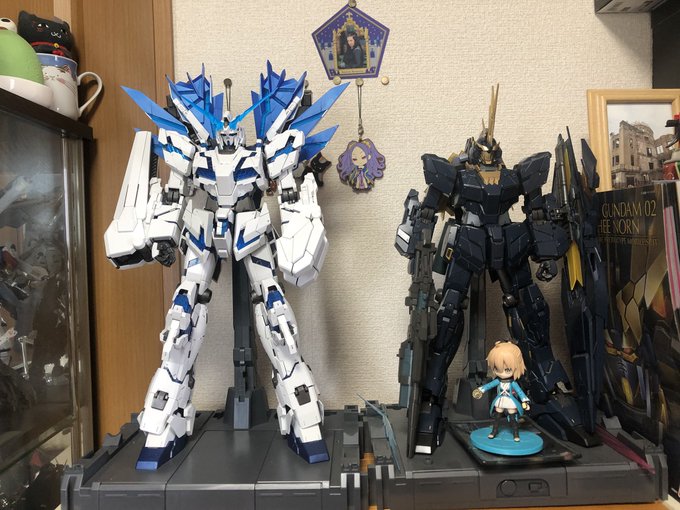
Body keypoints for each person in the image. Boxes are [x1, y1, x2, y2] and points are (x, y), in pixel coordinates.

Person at [473, 341, 530, 441]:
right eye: (497, 368)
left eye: (507, 370)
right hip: (500, 401)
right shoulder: (498, 381)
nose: (502, 373)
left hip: (511, 401)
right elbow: (489, 385)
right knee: (497, 417)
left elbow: (520, 392)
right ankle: (494, 431)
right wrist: (481, 390)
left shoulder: (513, 383)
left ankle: (515, 433)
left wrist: (525, 401)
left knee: (512, 418)